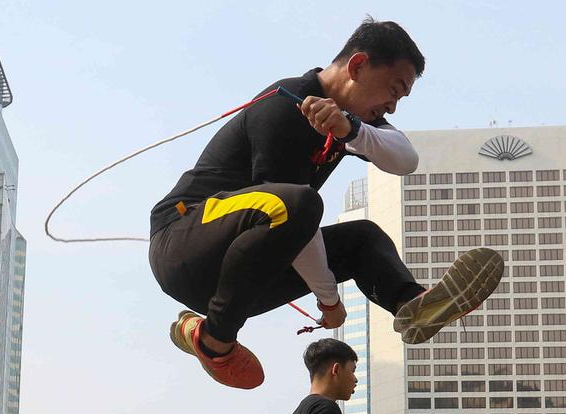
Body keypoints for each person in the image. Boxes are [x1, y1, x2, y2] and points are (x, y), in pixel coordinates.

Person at [151, 18, 503, 391]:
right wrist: (329, 299)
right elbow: (289, 214)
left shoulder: (350, 122)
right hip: (183, 243)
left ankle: (412, 305)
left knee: (362, 238)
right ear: (357, 66)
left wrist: (351, 130)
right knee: (300, 203)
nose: (393, 107)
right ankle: (214, 340)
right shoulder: (286, 104)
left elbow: (405, 159)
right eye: (394, 90)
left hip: (242, 275)